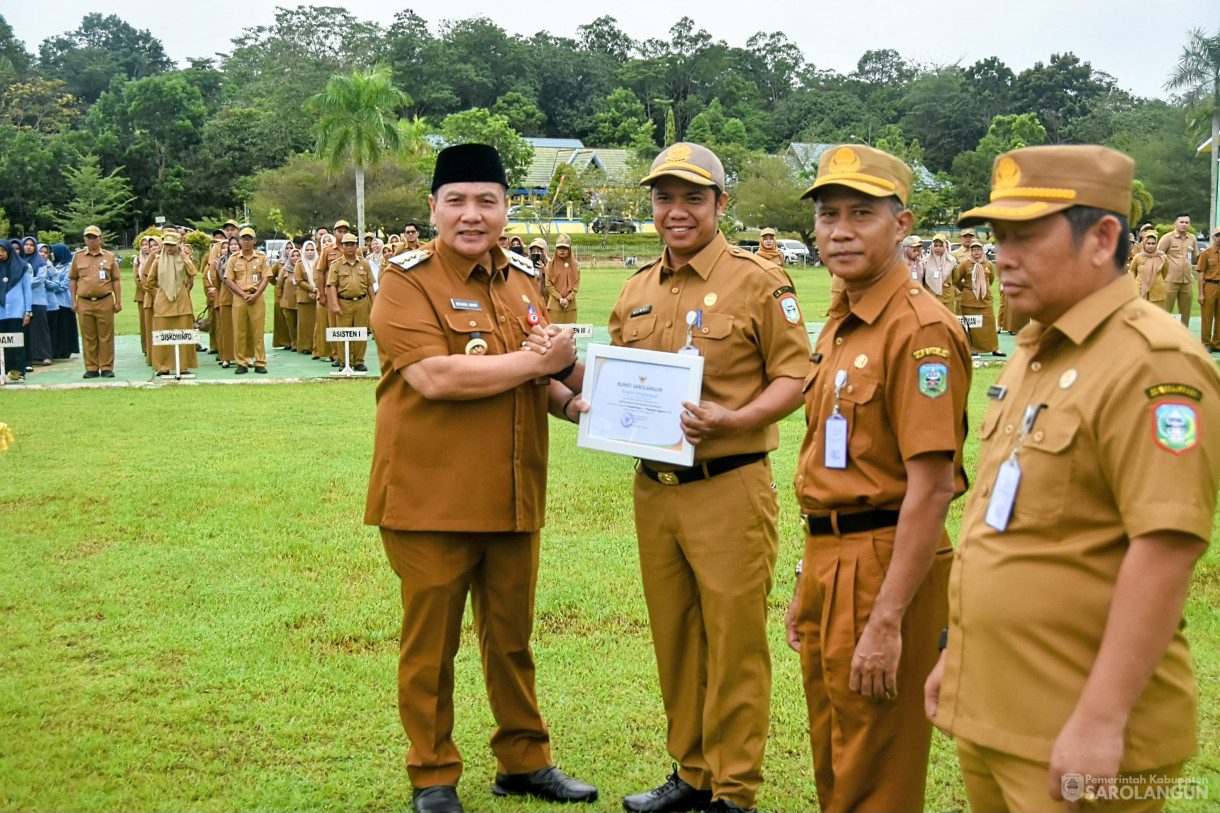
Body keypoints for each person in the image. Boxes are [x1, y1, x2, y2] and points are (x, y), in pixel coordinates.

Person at [925, 144, 1220, 813]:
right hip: (996, 709)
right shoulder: (1033, 347)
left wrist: (1101, 718)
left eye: (1025, 235)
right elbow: (1004, 529)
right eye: (999, 236)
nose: (1003, 255)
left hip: (1076, 727)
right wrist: (960, 658)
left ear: (1104, 238)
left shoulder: (1152, 361)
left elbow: (1166, 548)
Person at [576, 142, 811, 813]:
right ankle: (692, 771)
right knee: (676, 637)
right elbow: (620, 380)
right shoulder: (636, 288)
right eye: (664, 197)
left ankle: (734, 789)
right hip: (656, 490)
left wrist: (734, 420)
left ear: (720, 204)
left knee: (734, 641)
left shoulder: (758, 280)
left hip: (730, 484)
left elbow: (795, 377)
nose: (676, 211)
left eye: (693, 197)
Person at [365, 143, 595, 813]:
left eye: (487, 201)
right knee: (430, 647)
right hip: (432, 497)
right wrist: (539, 368)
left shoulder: (521, 277)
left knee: (512, 639)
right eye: (458, 201)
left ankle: (523, 761)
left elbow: (540, 373)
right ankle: (432, 773)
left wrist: (572, 401)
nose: (473, 215)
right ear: (433, 207)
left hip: (512, 492)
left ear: (505, 208)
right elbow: (435, 376)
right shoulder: (406, 280)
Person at [780, 144, 969, 813]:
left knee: (876, 770)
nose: (839, 228)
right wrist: (810, 570)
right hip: (833, 559)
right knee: (837, 755)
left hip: (888, 565)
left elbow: (934, 486)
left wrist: (887, 620)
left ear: (903, 223)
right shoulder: (843, 319)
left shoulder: (920, 332)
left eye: (862, 212)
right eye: (828, 213)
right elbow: (833, 462)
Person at [68, 225, 122, 379]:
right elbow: (73, 279)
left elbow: (116, 280)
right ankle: (91, 367)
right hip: (84, 301)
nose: (91, 240)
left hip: (104, 300)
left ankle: (106, 367)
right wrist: (73, 301)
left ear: (100, 239)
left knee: (106, 336)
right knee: (88, 336)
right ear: (85, 239)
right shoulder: (78, 256)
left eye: (94, 237)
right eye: (88, 238)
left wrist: (118, 301)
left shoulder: (109, 256)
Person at [144, 231, 198, 377]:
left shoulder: (184, 259)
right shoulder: (157, 260)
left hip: (182, 302)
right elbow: (149, 282)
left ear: (178, 245)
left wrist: (185, 257)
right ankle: (163, 366)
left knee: (184, 334)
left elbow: (193, 272)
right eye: (167, 245)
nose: (170, 248)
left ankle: (184, 366)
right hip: (163, 303)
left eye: (173, 245)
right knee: (163, 334)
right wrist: (159, 294)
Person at [223, 227, 271, 374]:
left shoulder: (262, 258)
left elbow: (266, 277)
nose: (246, 242)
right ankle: (242, 363)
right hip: (239, 298)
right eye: (243, 239)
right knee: (240, 332)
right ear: (240, 241)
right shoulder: (234, 258)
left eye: (249, 239)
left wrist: (256, 294)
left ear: (254, 241)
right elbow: (228, 279)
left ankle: (260, 362)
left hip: (257, 297)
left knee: (258, 332)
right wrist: (242, 294)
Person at [325, 232, 375, 371]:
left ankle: (359, 361)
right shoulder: (336, 264)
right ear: (342, 246)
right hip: (343, 302)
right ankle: (344, 362)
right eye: (346, 244)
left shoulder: (364, 263)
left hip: (362, 301)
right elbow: (332, 286)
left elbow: (370, 284)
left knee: (361, 332)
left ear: (357, 246)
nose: (350, 247)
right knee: (343, 332)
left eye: (352, 244)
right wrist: (334, 304)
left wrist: (375, 303)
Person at [954, 241, 1006, 357]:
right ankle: (972, 348)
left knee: (990, 324)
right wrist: (966, 289)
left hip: (985, 300)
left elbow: (991, 279)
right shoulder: (965, 264)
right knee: (972, 326)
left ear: (982, 250)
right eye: (973, 249)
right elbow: (956, 279)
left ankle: (994, 348)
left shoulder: (987, 264)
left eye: (978, 249)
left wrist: (983, 289)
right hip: (969, 301)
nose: (976, 252)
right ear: (970, 251)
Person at [1157, 214, 1199, 326]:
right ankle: (1162, 339)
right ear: (1175, 223)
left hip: (1187, 281)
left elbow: (1194, 257)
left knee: (1185, 313)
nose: (1184, 224)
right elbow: (1157, 256)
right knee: (1165, 311)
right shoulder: (1167, 238)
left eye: (1186, 222)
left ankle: (1183, 338)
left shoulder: (1192, 238)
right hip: (1170, 280)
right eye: (1181, 222)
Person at [0, 239, 31, 382]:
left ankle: (17, 373)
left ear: (9, 251)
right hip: (1, 313)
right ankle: (3, 373)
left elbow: (27, 290)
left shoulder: (22, 267)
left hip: (16, 312)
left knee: (17, 344)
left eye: (3, 250)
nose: (0, 254)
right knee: (2, 345)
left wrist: (28, 311)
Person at [21, 236, 53, 367]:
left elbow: (39, 279)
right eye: (26, 244)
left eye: (31, 245)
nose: (28, 247)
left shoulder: (40, 262)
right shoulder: (19, 261)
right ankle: (31, 356)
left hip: (38, 300)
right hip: (23, 301)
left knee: (41, 328)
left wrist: (22, 284)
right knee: (26, 330)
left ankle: (46, 355)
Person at [46, 243, 79, 359]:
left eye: (53, 251)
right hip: (54, 303)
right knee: (57, 328)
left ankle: (66, 350)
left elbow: (65, 285)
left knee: (66, 326)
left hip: (65, 302)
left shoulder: (69, 266)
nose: (51, 254)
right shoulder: (53, 266)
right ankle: (56, 350)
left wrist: (49, 285)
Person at [544, 234, 580, 323]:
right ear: (556, 249)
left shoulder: (575, 265)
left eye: (565, 248)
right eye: (560, 248)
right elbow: (548, 284)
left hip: (571, 306)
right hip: (554, 305)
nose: (562, 250)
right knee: (554, 333)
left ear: (569, 249)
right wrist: (560, 298)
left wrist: (568, 298)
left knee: (570, 333)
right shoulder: (550, 264)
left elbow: (576, 285)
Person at [1195, 228, 1220, 352]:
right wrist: (1201, 293)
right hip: (1210, 285)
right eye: (1217, 236)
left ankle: (1217, 343)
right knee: (1207, 316)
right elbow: (1201, 273)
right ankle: (1206, 343)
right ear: (1213, 237)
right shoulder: (1206, 253)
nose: (1219, 238)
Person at [294, 240, 319, 357]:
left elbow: (322, 277)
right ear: (303, 251)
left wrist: (317, 290)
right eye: (307, 250)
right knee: (305, 324)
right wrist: (311, 289)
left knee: (318, 323)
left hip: (319, 297)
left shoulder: (319, 262)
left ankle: (317, 347)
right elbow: (298, 280)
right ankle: (305, 347)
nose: (310, 252)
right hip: (304, 297)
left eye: (312, 249)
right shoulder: (299, 263)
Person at [1129, 231, 1168, 308]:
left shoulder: (1162, 257)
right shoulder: (1138, 257)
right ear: (1144, 244)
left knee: (1156, 316)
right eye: (1148, 243)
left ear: (1156, 244)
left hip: (1157, 292)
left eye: (1153, 243)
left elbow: (1164, 273)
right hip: (1140, 291)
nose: (1151, 246)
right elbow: (1132, 273)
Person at [921, 233, 957, 312]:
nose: (938, 248)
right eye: (936, 245)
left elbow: (956, 277)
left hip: (946, 297)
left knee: (948, 321)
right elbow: (922, 279)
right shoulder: (925, 261)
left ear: (944, 246)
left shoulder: (952, 261)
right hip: (930, 297)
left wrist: (946, 285)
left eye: (941, 246)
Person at [276, 246, 300, 352]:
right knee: (291, 325)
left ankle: (302, 344)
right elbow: (279, 286)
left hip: (301, 302)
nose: (295, 258)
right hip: (288, 302)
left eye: (298, 255)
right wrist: (280, 299)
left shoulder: (304, 268)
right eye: (293, 256)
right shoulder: (285, 270)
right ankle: (294, 343)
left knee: (301, 324)